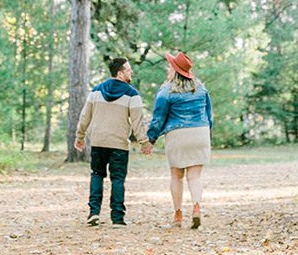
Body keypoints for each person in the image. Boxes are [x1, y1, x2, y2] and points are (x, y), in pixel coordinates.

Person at [75, 56, 151, 226]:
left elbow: (85, 116)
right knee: (117, 179)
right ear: (120, 73)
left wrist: (80, 136)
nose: (131, 72)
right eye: (128, 69)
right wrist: (144, 142)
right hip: (119, 144)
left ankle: (93, 213)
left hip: (98, 141)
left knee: (97, 175)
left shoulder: (96, 91)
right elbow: (137, 123)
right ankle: (117, 218)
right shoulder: (132, 94)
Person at [146, 51, 213, 229]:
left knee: (177, 176)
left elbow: (158, 118)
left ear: (174, 70)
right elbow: (209, 115)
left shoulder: (166, 91)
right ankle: (197, 207)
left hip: (178, 134)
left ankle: (178, 215)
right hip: (200, 132)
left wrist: (150, 139)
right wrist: (208, 134)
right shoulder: (200, 88)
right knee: (195, 176)